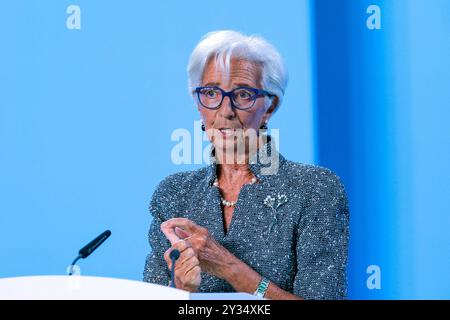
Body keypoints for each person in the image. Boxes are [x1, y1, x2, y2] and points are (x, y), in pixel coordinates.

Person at [143, 30, 349, 300]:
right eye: (211, 93)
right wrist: (180, 291)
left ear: (270, 106)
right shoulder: (175, 193)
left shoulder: (314, 188)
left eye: (242, 95)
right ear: (197, 103)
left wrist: (230, 268)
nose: (225, 111)